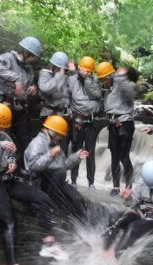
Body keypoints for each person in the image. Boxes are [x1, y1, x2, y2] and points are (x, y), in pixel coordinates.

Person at [0, 103, 63, 265]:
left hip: (8, 180)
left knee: (43, 198)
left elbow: (13, 154)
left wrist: (12, 164)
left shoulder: (4, 136)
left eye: (4, 128)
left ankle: (48, 241)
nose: (3, 130)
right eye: (0, 127)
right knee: (10, 221)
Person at [24, 115, 89, 220]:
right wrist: (50, 154)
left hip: (55, 182)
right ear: (52, 131)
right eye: (59, 135)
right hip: (41, 182)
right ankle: (51, 206)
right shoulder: (37, 143)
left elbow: (63, 165)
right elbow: (33, 167)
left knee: (78, 199)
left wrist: (76, 157)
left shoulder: (54, 143)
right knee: (59, 174)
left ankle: (82, 225)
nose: (61, 138)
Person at [0, 36, 42, 154]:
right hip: (3, 105)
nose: (34, 59)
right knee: (3, 139)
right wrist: (15, 79)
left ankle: (27, 168)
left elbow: (24, 94)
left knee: (25, 139)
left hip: (19, 108)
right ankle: (5, 169)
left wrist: (31, 92)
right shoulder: (8, 58)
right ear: (26, 52)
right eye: (33, 56)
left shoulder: (29, 69)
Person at [96, 62, 136, 196]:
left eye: (104, 79)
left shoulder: (122, 84)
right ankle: (115, 186)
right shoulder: (110, 90)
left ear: (110, 75)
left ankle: (129, 185)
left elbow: (130, 94)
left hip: (125, 123)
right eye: (101, 80)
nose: (103, 82)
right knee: (114, 156)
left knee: (124, 156)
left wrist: (121, 77)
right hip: (113, 124)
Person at [67, 56, 102, 189]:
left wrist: (87, 80)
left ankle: (91, 182)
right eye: (85, 70)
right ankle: (74, 180)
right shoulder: (71, 80)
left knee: (90, 152)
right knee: (76, 149)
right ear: (79, 68)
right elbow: (68, 99)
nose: (87, 73)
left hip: (91, 122)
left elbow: (97, 97)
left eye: (89, 71)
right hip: (77, 121)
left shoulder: (95, 81)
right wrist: (73, 114)